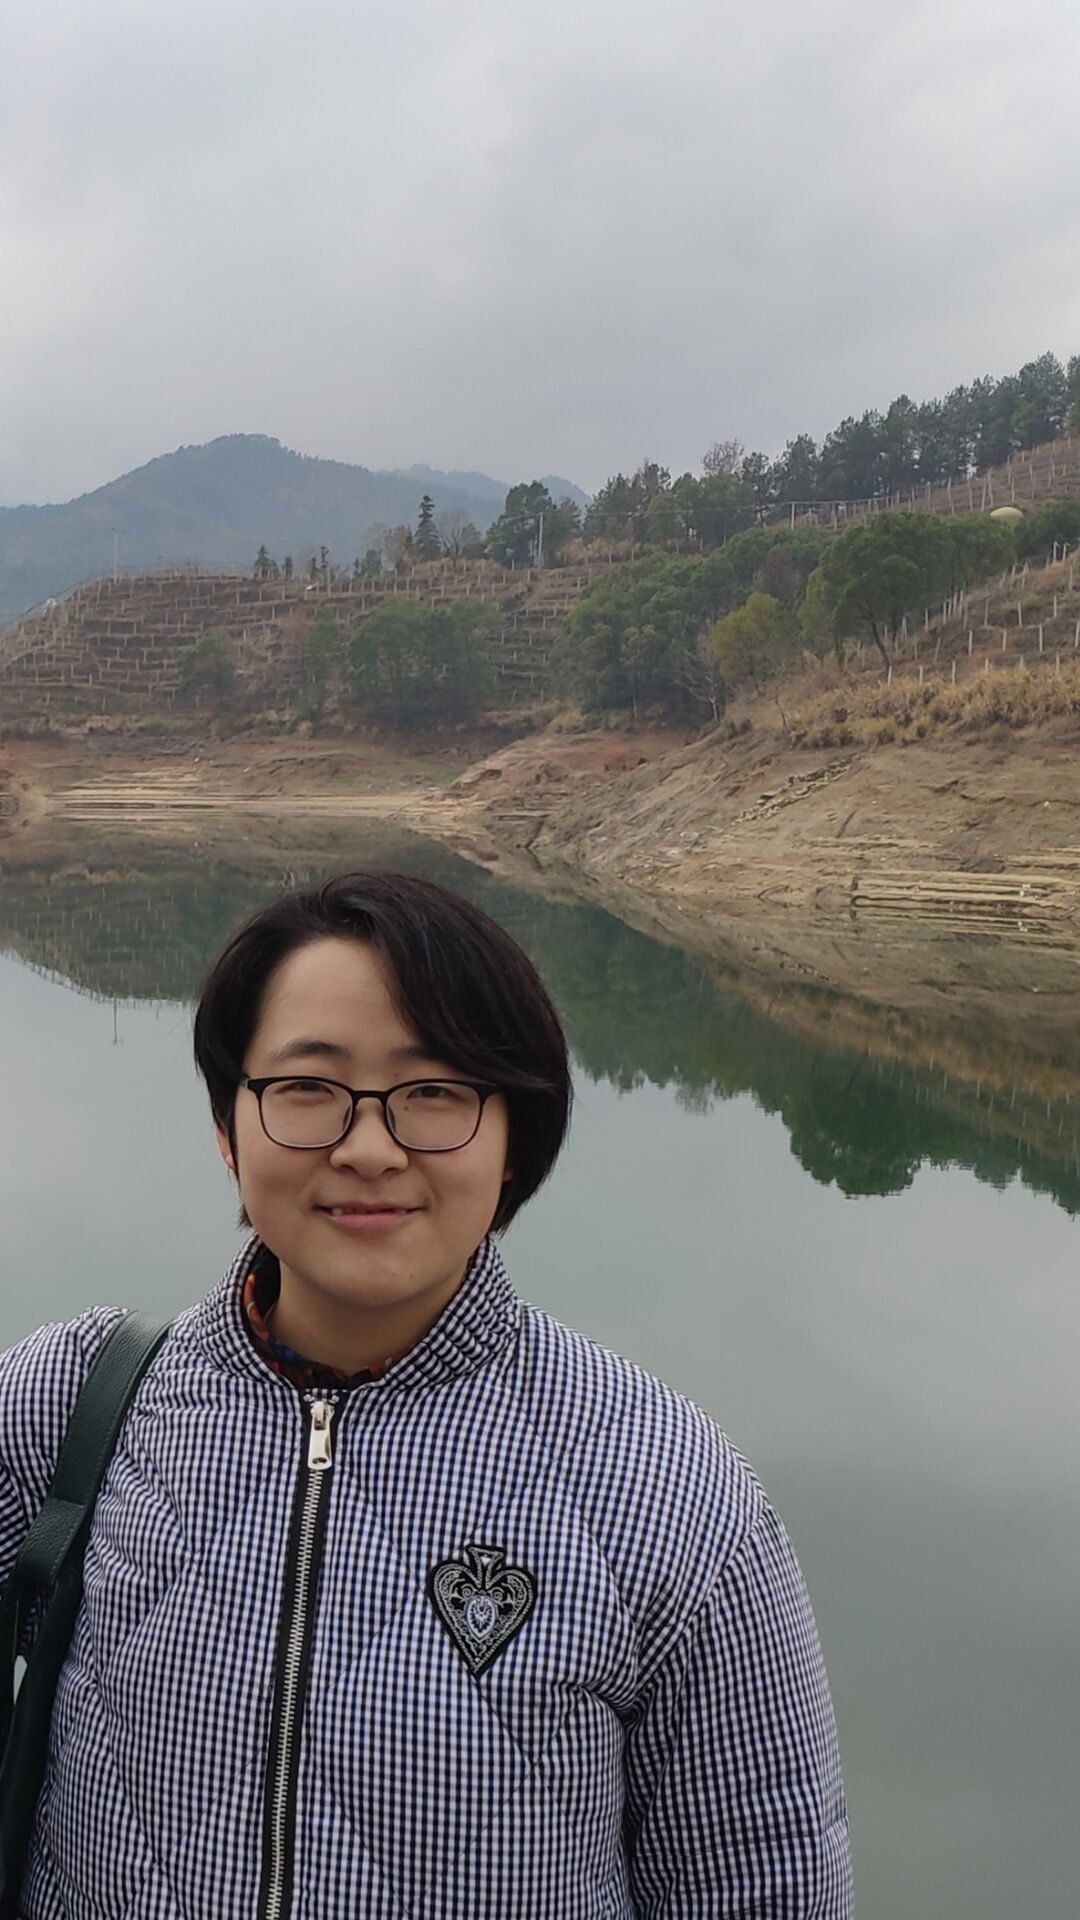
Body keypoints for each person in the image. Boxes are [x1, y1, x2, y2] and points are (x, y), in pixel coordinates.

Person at [1, 869, 853, 1917]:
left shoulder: (666, 1488)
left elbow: (763, 1879)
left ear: (514, 1137)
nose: (369, 1149)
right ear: (229, 1127)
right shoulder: (72, 1403)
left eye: (436, 1093)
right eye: (307, 1088)